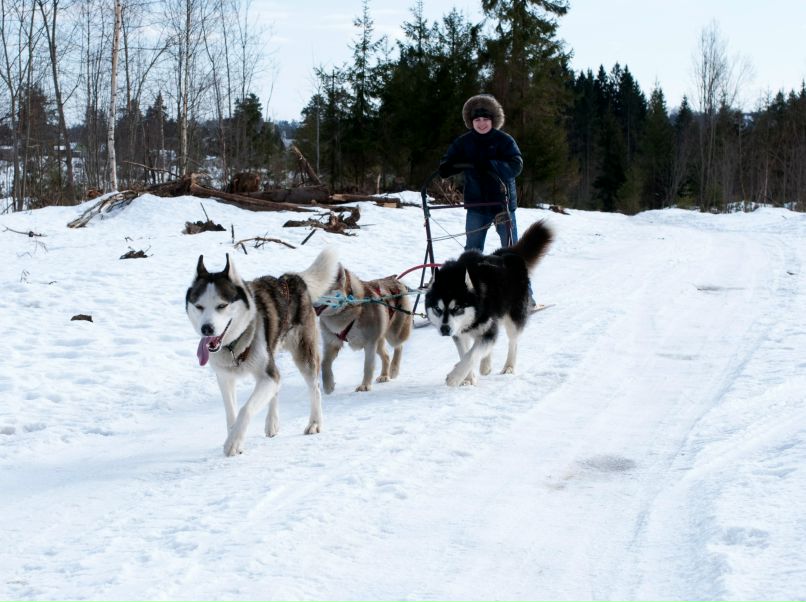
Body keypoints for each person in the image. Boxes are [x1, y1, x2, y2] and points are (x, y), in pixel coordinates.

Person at [438, 93, 536, 308]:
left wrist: (491, 164)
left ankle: (525, 297)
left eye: (485, 120)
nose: (481, 124)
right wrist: (447, 167)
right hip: (476, 205)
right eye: (477, 120)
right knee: (471, 250)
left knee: (512, 252)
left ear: (493, 120)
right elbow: (447, 160)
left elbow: (516, 165)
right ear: (471, 122)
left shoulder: (504, 140)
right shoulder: (464, 142)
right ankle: (468, 295)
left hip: (502, 204)